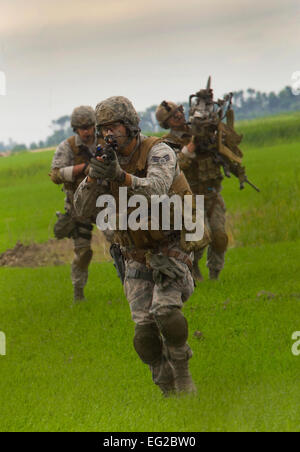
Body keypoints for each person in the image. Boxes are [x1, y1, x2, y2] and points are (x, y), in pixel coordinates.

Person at [74, 96, 200, 396]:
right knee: (143, 332)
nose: (108, 134)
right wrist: (93, 177)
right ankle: (165, 383)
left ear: (130, 125)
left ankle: (183, 374)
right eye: (103, 128)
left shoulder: (158, 151)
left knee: (166, 311)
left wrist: (121, 176)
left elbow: (156, 188)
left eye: (114, 126)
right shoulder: (106, 159)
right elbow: (80, 209)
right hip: (134, 255)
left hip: (171, 247)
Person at [156, 99, 246, 281]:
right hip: (190, 197)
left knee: (220, 237)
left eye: (179, 112)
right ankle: (193, 269)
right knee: (199, 239)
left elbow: (225, 152)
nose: (179, 116)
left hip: (213, 194)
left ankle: (215, 275)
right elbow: (172, 167)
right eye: (173, 116)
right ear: (166, 122)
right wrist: (189, 150)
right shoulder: (167, 144)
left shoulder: (204, 131)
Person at [49, 106, 98, 302]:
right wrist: (83, 168)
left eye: (89, 126)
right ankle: (78, 292)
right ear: (75, 129)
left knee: (123, 246)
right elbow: (55, 175)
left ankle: (129, 285)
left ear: (94, 125)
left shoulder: (106, 141)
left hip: (107, 204)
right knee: (83, 252)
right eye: (81, 128)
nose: (86, 131)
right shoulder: (67, 147)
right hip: (79, 207)